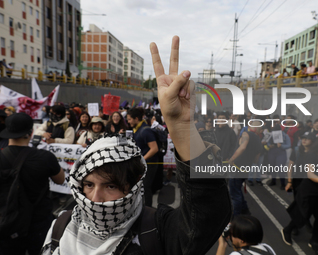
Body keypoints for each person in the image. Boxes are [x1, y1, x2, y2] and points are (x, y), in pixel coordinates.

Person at [40, 35, 232, 255]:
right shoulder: (61, 226)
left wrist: (181, 127)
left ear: (132, 187)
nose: (95, 198)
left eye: (111, 186)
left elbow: (208, 214)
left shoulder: (157, 230)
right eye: (89, 185)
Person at [0, 113, 65, 255]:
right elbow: (60, 179)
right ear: (31, 132)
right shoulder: (45, 157)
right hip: (39, 223)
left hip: (7, 222)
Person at [282, 132, 318, 251]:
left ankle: (314, 239)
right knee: (303, 214)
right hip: (309, 190)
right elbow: (310, 174)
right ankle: (287, 229)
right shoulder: (312, 155)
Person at [228, 122, 262, 216]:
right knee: (237, 190)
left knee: (235, 195)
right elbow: (255, 160)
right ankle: (245, 209)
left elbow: (242, 147)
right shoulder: (259, 141)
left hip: (237, 168)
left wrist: (232, 159)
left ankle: (236, 218)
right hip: (245, 170)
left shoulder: (246, 134)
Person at [127, 107, 159, 207]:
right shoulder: (137, 129)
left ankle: (148, 209)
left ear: (136, 118)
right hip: (143, 163)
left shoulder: (145, 131)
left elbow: (154, 149)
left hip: (150, 164)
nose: (128, 122)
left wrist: (142, 160)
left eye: (129, 119)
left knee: (146, 187)